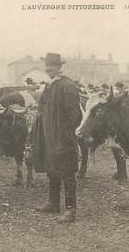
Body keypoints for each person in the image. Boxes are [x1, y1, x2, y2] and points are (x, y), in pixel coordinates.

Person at [34, 53, 82, 223]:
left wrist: (65, 134)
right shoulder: (50, 85)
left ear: (59, 67)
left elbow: (75, 116)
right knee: (52, 168)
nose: (49, 68)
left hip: (63, 136)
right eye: (47, 65)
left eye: (53, 65)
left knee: (68, 170)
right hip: (49, 135)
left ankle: (71, 209)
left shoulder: (66, 85)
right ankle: (53, 203)